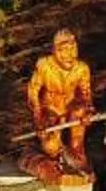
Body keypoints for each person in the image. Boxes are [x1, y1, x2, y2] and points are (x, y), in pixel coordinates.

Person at [26, 29, 94, 178]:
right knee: (51, 146)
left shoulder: (82, 68)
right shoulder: (44, 65)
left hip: (71, 107)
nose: (71, 55)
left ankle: (78, 159)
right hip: (50, 108)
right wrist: (38, 118)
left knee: (79, 115)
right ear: (55, 50)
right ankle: (53, 163)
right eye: (65, 50)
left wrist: (88, 111)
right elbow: (33, 91)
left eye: (74, 50)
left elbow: (86, 93)